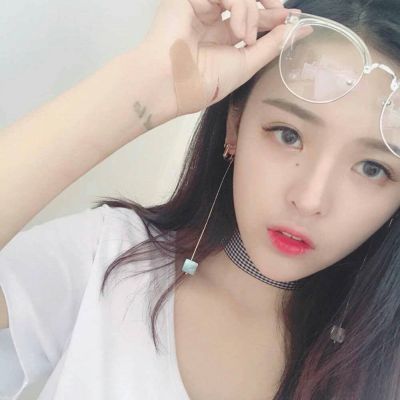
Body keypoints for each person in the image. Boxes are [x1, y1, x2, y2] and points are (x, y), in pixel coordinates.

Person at [1, 0, 400, 398]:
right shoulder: (110, 261)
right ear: (235, 125)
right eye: (288, 135)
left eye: (372, 168)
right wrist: (146, 83)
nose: (310, 199)